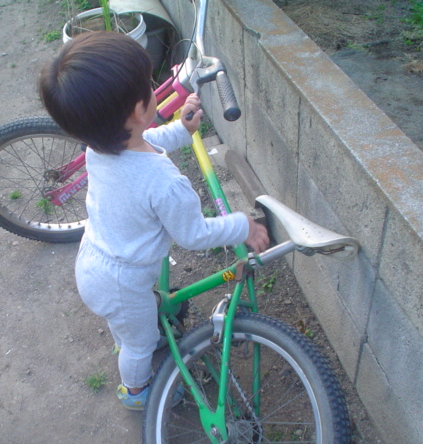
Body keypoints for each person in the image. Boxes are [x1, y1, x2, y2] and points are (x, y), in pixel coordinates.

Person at [39, 31, 268, 410]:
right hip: (123, 281)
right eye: (148, 85)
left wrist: (183, 129)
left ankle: (127, 335)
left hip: (94, 259)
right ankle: (136, 391)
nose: (152, 88)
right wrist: (242, 225)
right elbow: (194, 235)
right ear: (136, 110)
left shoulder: (98, 147)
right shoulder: (164, 183)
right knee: (140, 344)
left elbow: (142, 141)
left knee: (128, 324)